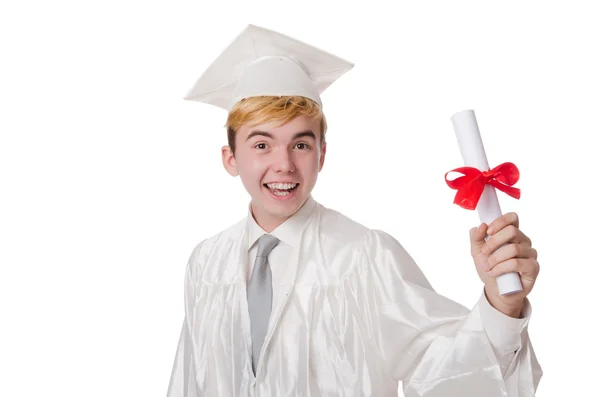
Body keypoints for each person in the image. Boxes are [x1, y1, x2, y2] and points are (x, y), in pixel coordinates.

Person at [166, 24, 542, 397]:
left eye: (300, 144)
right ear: (231, 159)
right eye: (262, 145)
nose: (283, 164)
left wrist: (502, 305)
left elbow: (443, 375)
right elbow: (188, 382)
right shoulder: (206, 263)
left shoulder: (363, 257)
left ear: (322, 155)